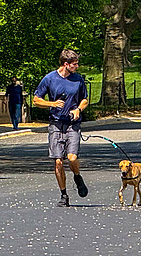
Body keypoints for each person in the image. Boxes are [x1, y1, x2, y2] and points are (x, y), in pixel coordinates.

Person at [33, 48, 89, 207]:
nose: (77, 67)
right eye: (74, 64)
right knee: (58, 161)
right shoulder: (50, 79)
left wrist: (78, 109)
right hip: (56, 123)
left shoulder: (78, 79)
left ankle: (77, 176)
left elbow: (85, 99)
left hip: (73, 124)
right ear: (66, 64)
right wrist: (52, 103)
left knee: (72, 158)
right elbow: (36, 100)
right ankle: (64, 194)